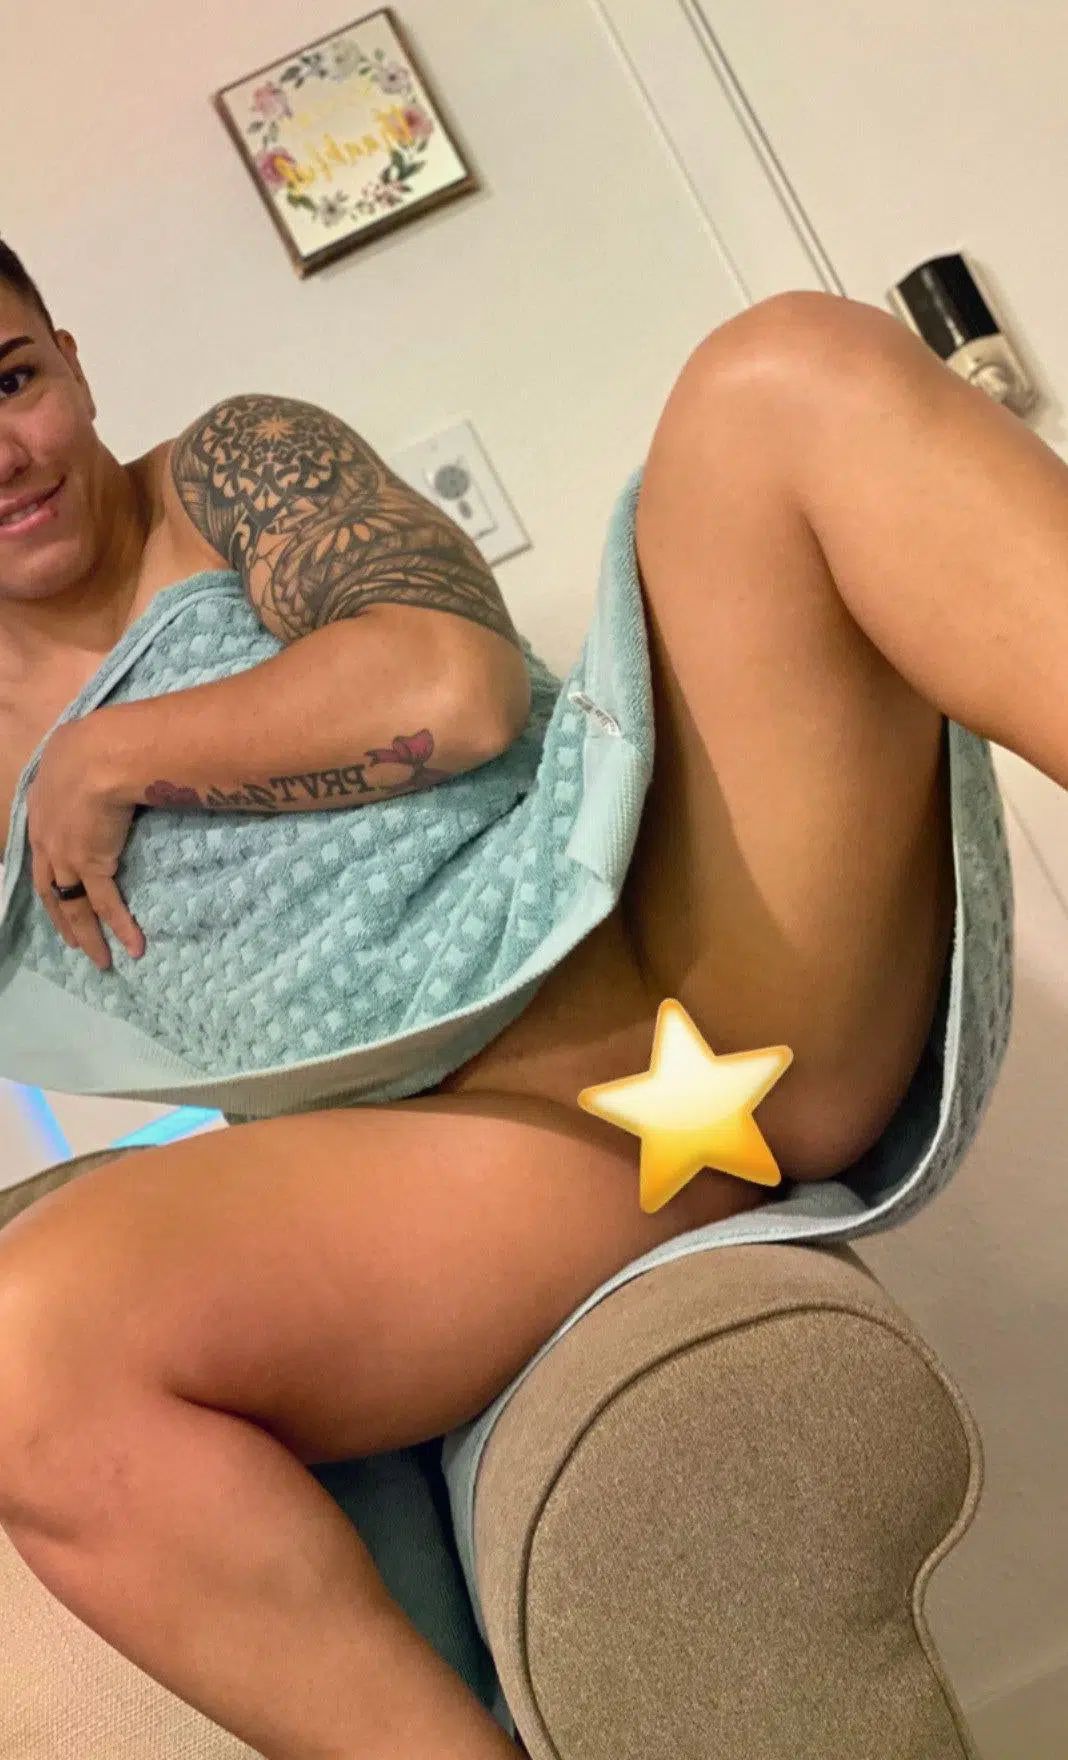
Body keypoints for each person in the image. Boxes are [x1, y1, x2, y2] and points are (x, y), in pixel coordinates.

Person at [0, 237, 1054, 1759]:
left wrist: (110, 757)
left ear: (73, 362)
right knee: (27, 1353)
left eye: (11, 380)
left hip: (697, 961)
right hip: (489, 1166)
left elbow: (451, 689)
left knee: (783, 373)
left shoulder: (226, 471)